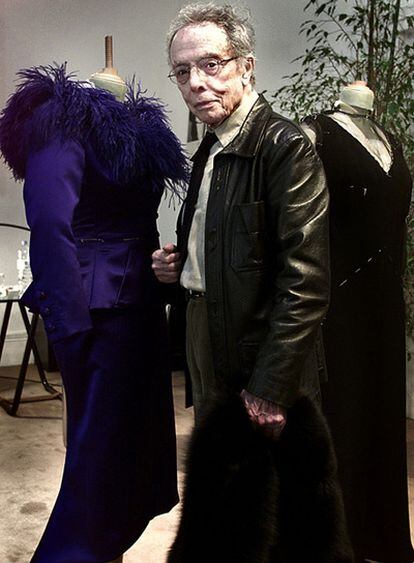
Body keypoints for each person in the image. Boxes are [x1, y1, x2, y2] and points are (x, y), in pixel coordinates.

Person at [0, 62, 188, 563]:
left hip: (140, 311)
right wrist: (69, 328)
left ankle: (107, 547)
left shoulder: (139, 131)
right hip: (95, 314)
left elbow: (139, 225)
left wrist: (161, 266)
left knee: (131, 453)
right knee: (97, 459)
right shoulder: (64, 116)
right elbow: (49, 222)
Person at [152, 2, 329, 438]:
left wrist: (271, 384)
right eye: (182, 71)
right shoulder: (211, 148)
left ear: (246, 67)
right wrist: (180, 267)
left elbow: (305, 282)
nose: (196, 82)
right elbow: (229, 247)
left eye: (211, 64)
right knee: (218, 464)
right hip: (206, 330)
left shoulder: (284, 147)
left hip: (256, 349)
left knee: (265, 475)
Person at [303, 82, 414, 563]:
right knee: (343, 414)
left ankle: (383, 537)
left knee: (384, 415)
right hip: (338, 303)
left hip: (385, 302)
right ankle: (336, 542)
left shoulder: (390, 139)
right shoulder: (316, 134)